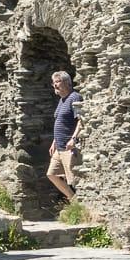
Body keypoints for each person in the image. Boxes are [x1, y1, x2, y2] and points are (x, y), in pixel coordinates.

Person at [48, 70, 82, 204]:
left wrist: (74, 139)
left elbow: (81, 120)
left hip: (69, 147)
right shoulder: (62, 101)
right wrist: (54, 141)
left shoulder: (75, 98)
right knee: (52, 174)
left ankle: (84, 207)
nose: (55, 85)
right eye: (53, 82)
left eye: (58, 81)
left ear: (67, 83)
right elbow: (60, 122)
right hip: (60, 146)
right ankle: (74, 200)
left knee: (74, 179)